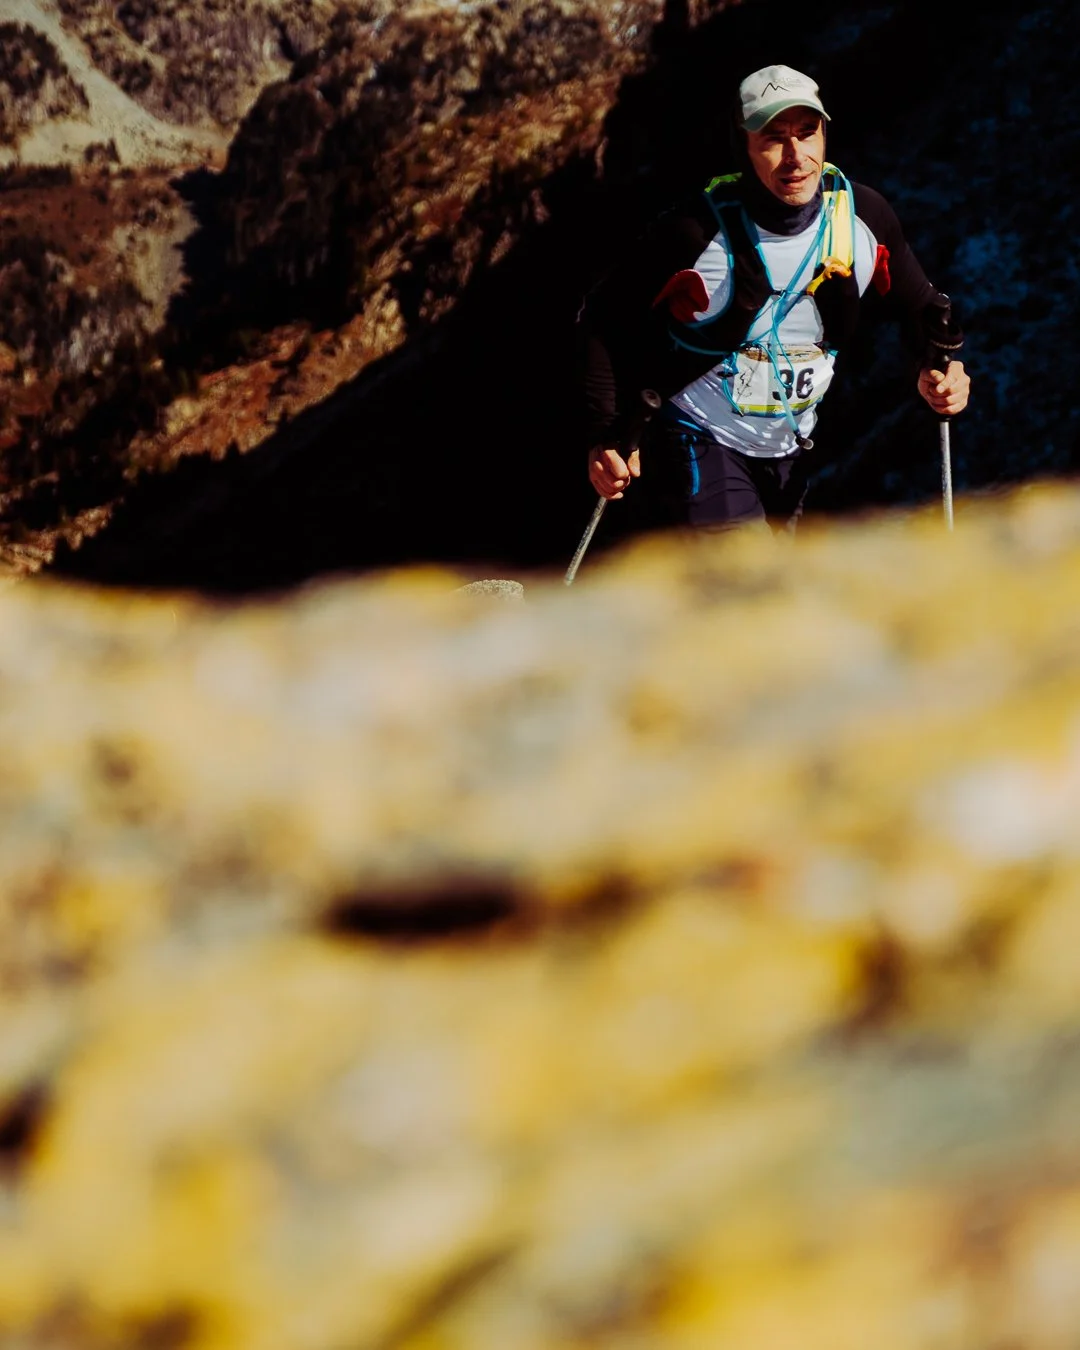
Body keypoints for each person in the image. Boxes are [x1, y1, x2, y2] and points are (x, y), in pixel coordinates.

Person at [578, 64, 971, 534]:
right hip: (699, 435)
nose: (795, 156)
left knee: (780, 592)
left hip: (793, 448)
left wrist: (940, 371)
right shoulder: (694, 233)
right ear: (743, 146)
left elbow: (921, 308)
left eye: (808, 134)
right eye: (773, 138)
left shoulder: (863, 217)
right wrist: (606, 431)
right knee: (748, 587)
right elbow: (601, 319)